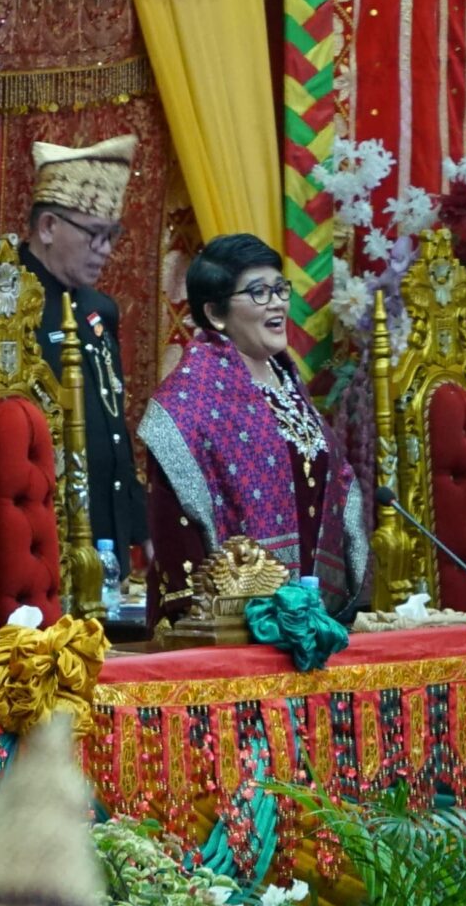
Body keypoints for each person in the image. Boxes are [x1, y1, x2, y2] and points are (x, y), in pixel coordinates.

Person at [136, 233, 367, 623]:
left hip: (313, 620)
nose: (277, 302)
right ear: (216, 313)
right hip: (229, 627)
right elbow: (176, 535)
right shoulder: (187, 404)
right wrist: (199, 618)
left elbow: (337, 485)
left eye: (280, 289)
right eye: (259, 292)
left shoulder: (289, 384)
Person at [22, 134, 145, 582]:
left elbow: (113, 421)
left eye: (112, 235)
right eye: (94, 234)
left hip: (105, 534)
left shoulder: (98, 309)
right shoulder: (5, 305)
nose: (105, 249)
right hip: (39, 536)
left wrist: (136, 520)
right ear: (48, 227)